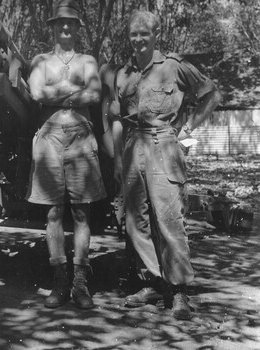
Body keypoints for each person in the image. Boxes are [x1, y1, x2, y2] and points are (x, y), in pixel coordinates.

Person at [110, 10, 221, 320]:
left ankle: (179, 291)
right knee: (136, 222)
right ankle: (152, 284)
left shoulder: (173, 66)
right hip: (134, 148)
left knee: (169, 220)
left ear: (155, 34)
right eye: (134, 34)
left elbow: (211, 93)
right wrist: (119, 158)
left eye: (144, 33)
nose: (138, 39)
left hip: (164, 145)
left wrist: (190, 127)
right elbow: (117, 117)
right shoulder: (125, 74)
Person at [26, 0, 106, 310]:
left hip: (81, 137)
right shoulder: (41, 60)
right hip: (49, 138)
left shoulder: (88, 60)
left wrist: (55, 92)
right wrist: (74, 91)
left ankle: (80, 283)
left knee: (82, 213)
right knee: (53, 213)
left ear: (77, 28)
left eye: (70, 23)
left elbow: (96, 94)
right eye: (60, 23)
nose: (65, 27)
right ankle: (58, 281)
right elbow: (35, 93)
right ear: (52, 27)